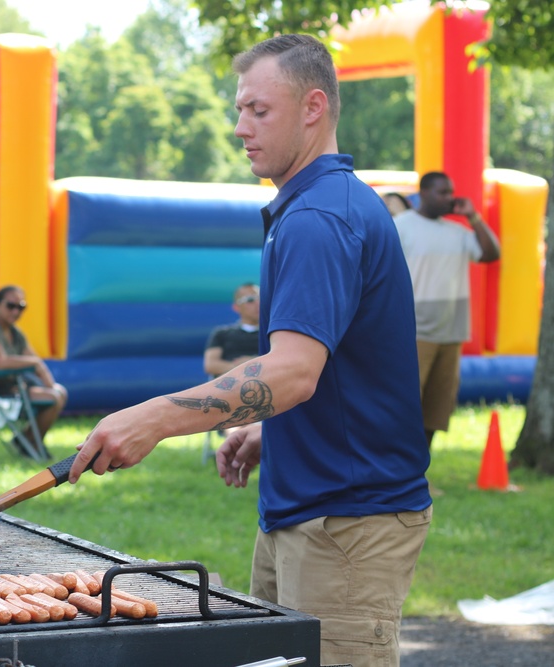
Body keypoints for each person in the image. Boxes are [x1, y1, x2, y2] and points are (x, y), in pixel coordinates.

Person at [68, 34, 431, 667]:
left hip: (345, 526)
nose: (241, 127)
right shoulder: (316, 204)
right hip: (309, 511)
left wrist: (151, 419)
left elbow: (291, 373)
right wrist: (274, 434)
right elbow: (339, 366)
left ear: (313, 107)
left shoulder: (321, 218)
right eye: (240, 110)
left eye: (259, 110)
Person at [394, 172, 501, 449]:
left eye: (451, 192)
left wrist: (473, 217)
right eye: (442, 192)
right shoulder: (400, 226)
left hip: (451, 332)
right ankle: (399, 472)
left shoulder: (458, 232)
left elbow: (492, 253)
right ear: (424, 193)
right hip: (415, 332)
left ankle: (420, 471)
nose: (449, 198)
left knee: (436, 409)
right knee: (407, 407)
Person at [0, 285, 67, 446]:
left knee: (60, 392)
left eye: (21, 307)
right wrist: (35, 366)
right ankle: (31, 445)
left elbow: (35, 359)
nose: (16, 311)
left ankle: (27, 442)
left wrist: (49, 384)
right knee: (54, 397)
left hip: (16, 388)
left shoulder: (14, 331)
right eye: (10, 306)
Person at [203, 283, 261, 378]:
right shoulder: (222, 333)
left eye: (261, 298)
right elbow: (210, 365)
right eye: (250, 300)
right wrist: (243, 367)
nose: (258, 304)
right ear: (236, 307)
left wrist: (252, 361)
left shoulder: (272, 334)